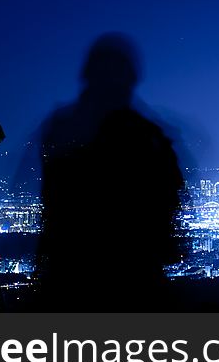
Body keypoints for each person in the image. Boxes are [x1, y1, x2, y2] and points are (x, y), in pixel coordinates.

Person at [32, 32, 185, 311]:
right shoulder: (147, 135)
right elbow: (170, 203)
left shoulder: (63, 128)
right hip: (134, 277)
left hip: (70, 277)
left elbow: (51, 198)